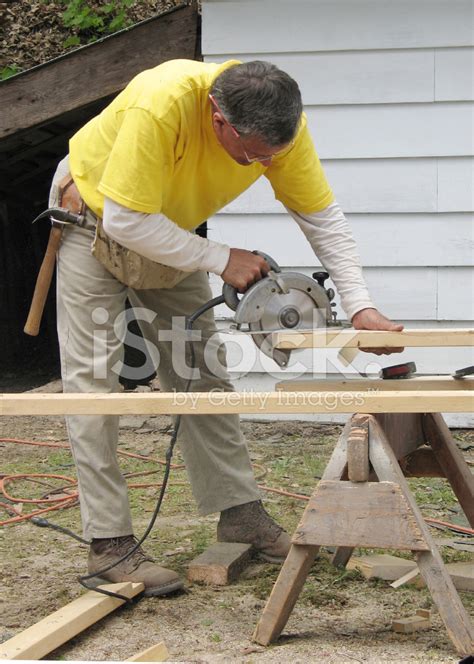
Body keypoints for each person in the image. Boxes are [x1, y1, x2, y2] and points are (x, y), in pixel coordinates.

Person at [49, 59, 403, 597]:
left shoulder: (282, 131)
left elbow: (321, 218)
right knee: (93, 385)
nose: (266, 162)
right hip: (93, 218)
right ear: (218, 120)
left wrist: (360, 307)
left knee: (200, 370)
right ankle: (110, 544)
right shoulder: (160, 102)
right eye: (255, 152)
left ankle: (239, 514)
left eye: (274, 154)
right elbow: (124, 219)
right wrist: (220, 257)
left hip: (164, 227)